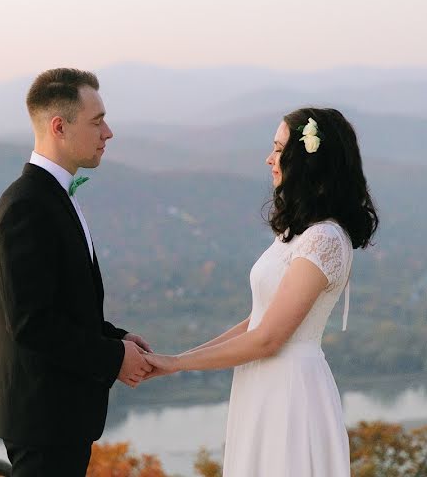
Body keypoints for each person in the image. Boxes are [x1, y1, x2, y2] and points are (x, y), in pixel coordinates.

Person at [145, 108, 378, 476]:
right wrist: (177, 358)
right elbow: (258, 321)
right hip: (261, 383)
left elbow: (269, 338)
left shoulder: (325, 239)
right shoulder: (297, 234)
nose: (269, 159)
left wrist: (177, 364)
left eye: (279, 148)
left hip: (291, 391)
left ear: (306, 160)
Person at [0, 68, 153, 476]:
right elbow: (32, 323)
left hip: (59, 413)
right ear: (59, 126)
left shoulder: (53, 196)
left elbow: (63, 303)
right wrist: (114, 358)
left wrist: (116, 337)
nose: (107, 132)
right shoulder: (26, 206)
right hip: (43, 415)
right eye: (97, 121)